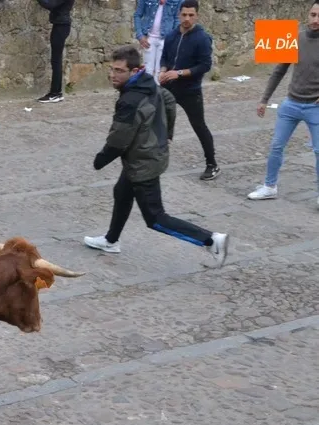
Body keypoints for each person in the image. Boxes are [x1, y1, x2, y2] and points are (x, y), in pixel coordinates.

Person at [83, 45, 229, 268]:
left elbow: (118, 140)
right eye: (112, 69)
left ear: (134, 71)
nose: (113, 75)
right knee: (122, 192)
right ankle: (111, 240)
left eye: (119, 71)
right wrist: (166, 134)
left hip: (144, 162)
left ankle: (211, 240)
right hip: (147, 155)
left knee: (156, 219)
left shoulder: (130, 100)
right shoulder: (147, 83)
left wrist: (100, 160)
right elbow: (168, 100)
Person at [248, 1, 319, 204]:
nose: (316, 20)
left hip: (315, 107)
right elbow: (279, 70)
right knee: (276, 146)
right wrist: (264, 100)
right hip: (291, 103)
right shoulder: (295, 38)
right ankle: (269, 187)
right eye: (313, 15)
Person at [157, 0, 219, 181]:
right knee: (156, 119)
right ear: (179, 15)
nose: (187, 18)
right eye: (184, 15)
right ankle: (156, 156)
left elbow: (205, 66)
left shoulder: (202, 38)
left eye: (191, 15)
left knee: (199, 126)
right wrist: (162, 71)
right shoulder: (171, 35)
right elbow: (164, 58)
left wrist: (179, 73)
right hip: (168, 87)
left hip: (190, 90)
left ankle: (212, 164)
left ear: (197, 16)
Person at [35, 0, 75, 104]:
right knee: (56, 61)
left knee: (56, 61)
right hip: (60, 25)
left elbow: (50, 4)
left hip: (61, 26)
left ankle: (55, 93)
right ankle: (56, 93)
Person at [133, 0, 182, 83]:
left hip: (166, 39)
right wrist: (140, 35)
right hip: (148, 38)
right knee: (148, 70)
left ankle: (158, 90)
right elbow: (137, 15)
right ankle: (148, 89)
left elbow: (177, 19)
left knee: (160, 71)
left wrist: (173, 38)